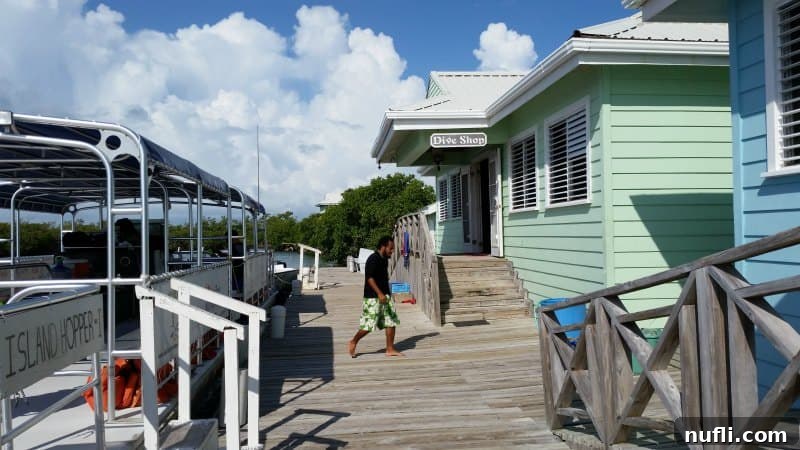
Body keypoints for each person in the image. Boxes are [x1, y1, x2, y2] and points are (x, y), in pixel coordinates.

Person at [348, 236, 403, 358]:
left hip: (385, 296)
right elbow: (369, 278)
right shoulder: (373, 259)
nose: (392, 251)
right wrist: (379, 293)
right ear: (383, 246)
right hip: (372, 297)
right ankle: (354, 341)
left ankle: (390, 349)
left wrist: (387, 294)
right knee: (369, 325)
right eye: (390, 248)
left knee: (391, 321)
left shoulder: (384, 259)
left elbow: (383, 279)